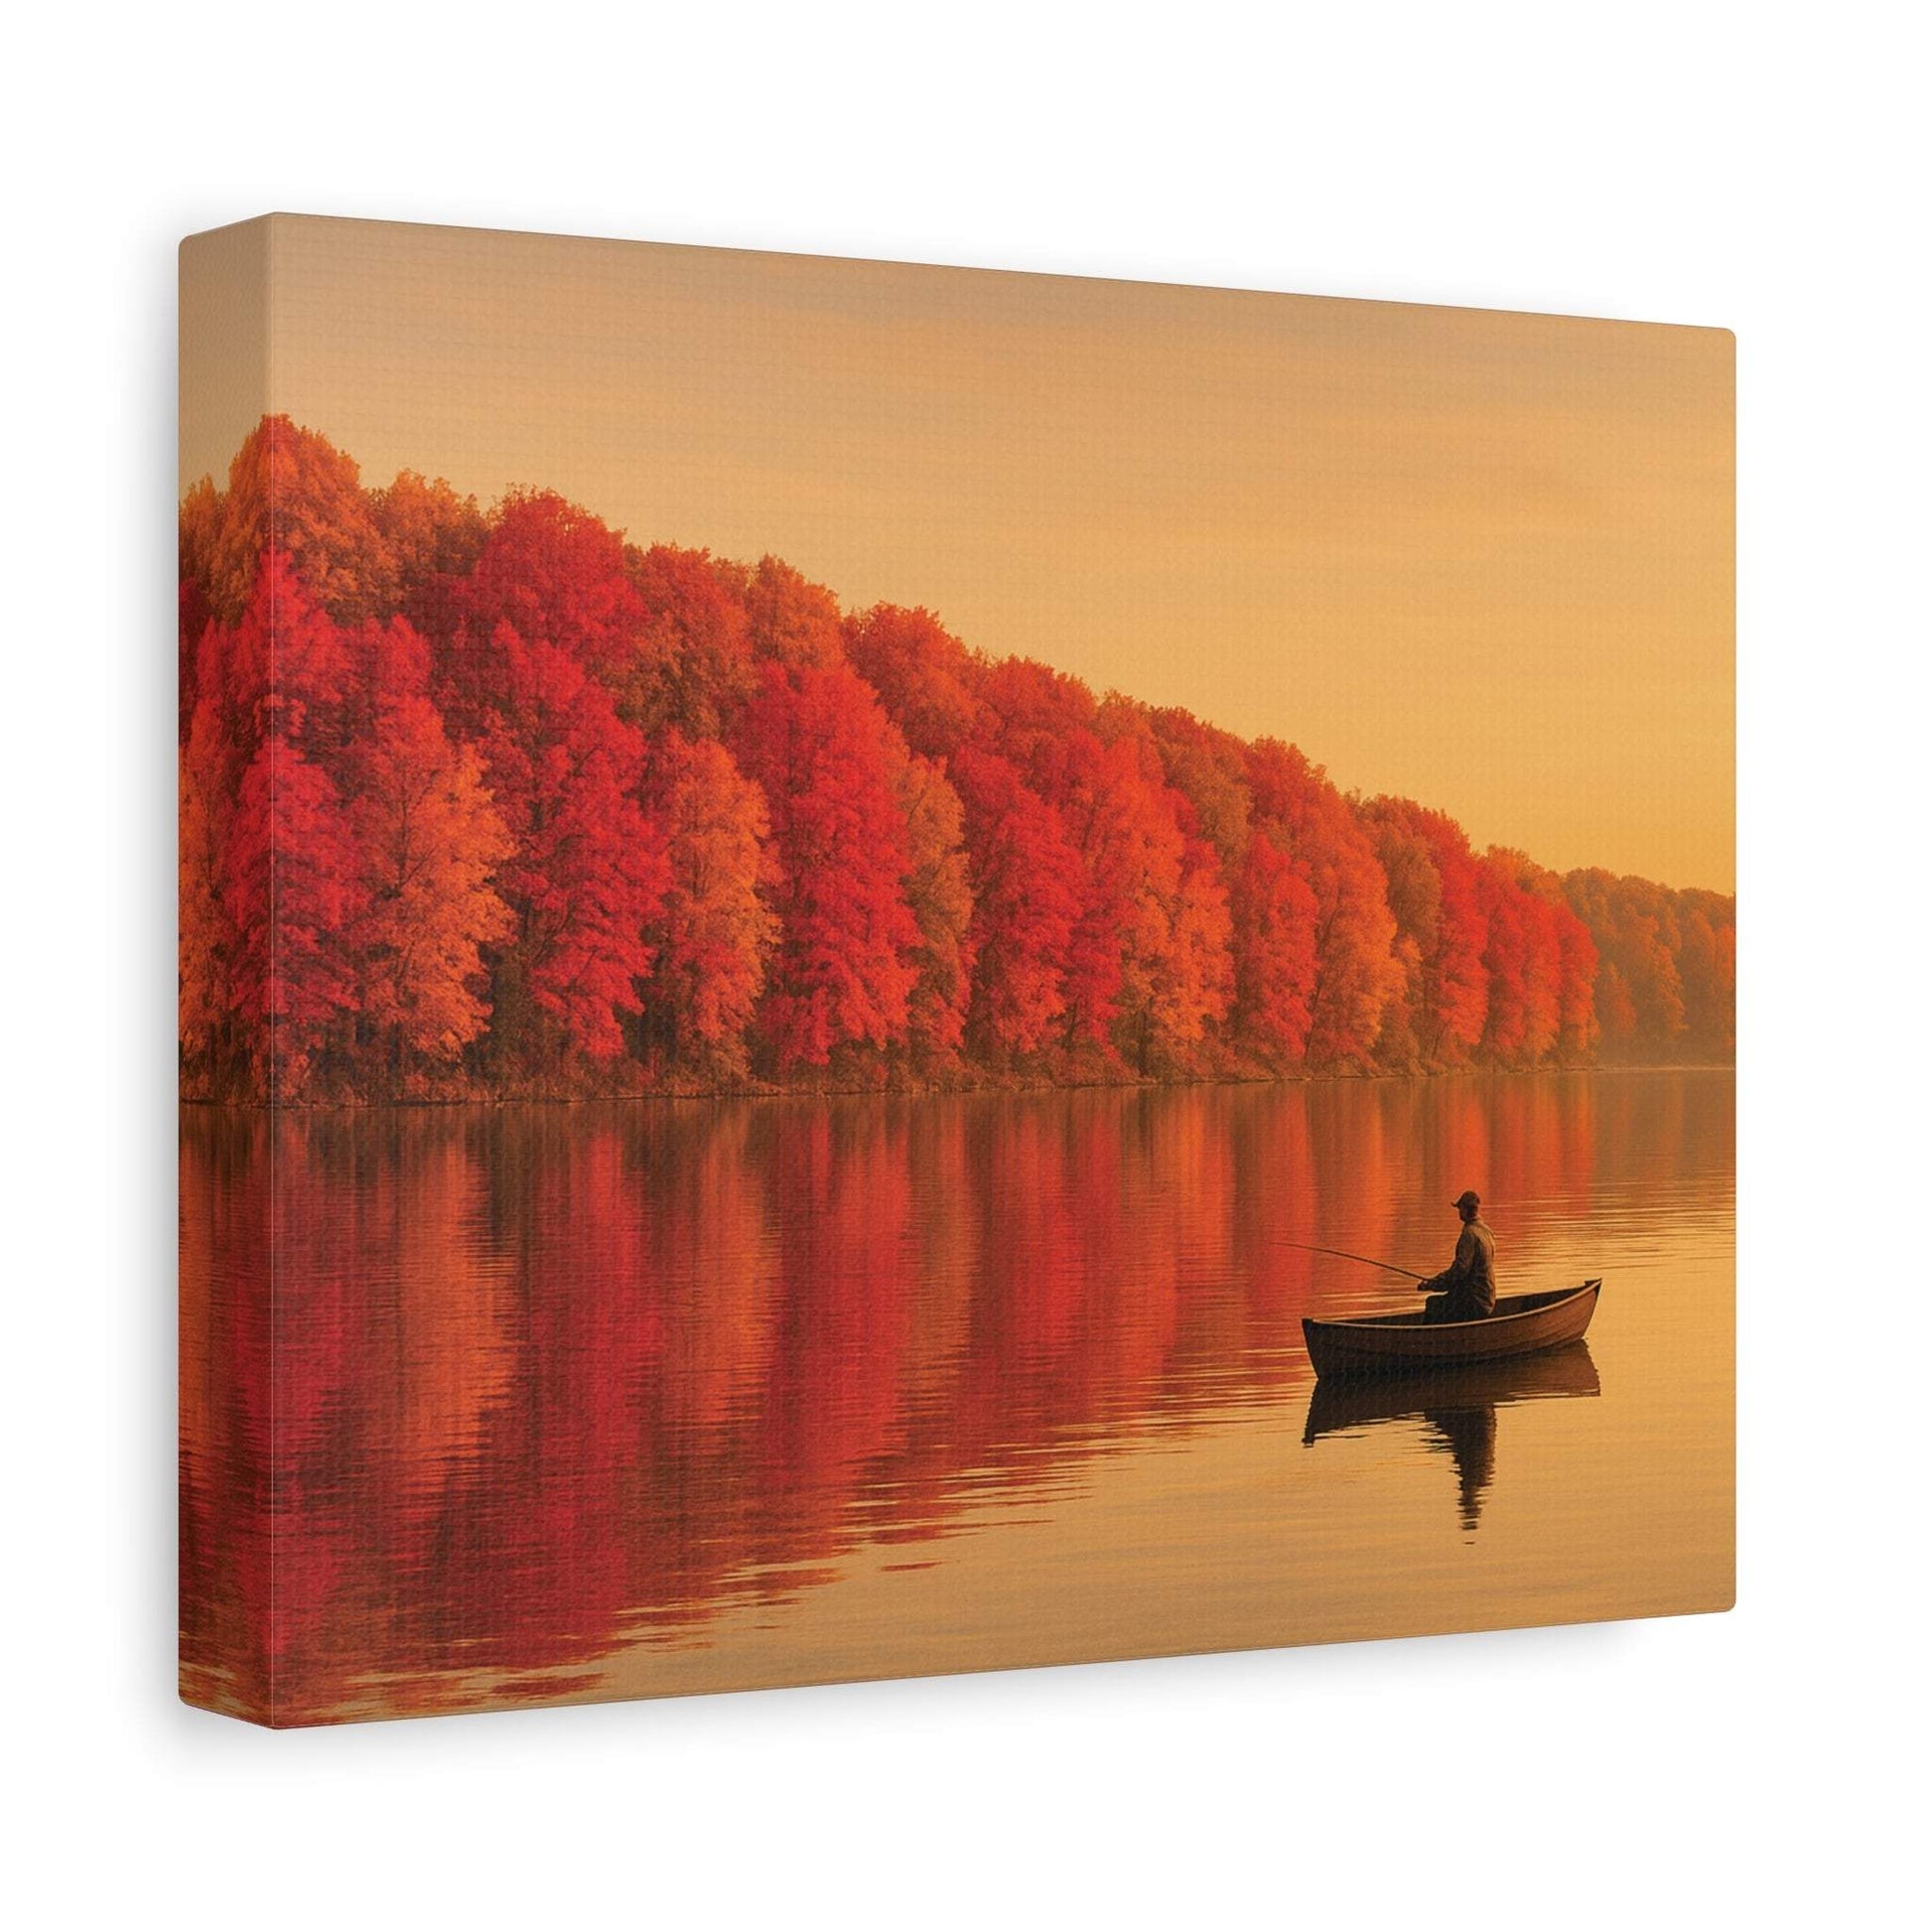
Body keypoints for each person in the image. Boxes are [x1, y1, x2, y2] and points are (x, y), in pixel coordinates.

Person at [1421, 1189, 1496, 1322]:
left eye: (1459, 1208)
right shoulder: (1486, 1230)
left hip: (1475, 1302)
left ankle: (1432, 1340)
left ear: (1465, 1209)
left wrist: (1433, 1284)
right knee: (1447, 1299)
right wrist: (1437, 1281)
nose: (1458, 1212)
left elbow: (1460, 1271)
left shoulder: (1469, 1234)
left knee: (1433, 1304)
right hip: (1487, 1299)